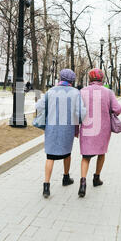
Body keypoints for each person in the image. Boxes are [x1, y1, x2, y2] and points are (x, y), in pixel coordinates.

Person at [35, 69, 86, 198]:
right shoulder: (75, 93)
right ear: (72, 80)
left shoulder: (51, 91)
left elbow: (39, 106)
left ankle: (46, 186)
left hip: (51, 127)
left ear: (60, 77)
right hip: (67, 128)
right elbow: (81, 112)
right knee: (67, 153)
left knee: (50, 156)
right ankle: (66, 177)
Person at [78, 69, 121, 198]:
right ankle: (96, 178)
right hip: (103, 128)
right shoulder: (108, 92)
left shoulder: (82, 91)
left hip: (86, 128)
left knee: (86, 156)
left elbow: (77, 110)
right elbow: (117, 109)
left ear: (90, 78)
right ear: (101, 78)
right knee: (101, 153)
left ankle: (83, 182)